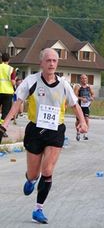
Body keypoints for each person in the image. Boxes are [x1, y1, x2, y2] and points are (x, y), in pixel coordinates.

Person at [0, 48, 87, 224]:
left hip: (55, 131)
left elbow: (75, 105)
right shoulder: (31, 81)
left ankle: (38, 209)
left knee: (47, 170)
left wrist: (83, 121)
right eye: (48, 60)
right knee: (33, 174)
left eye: (54, 61)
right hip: (35, 131)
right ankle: (31, 180)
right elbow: (17, 104)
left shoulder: (64, 84)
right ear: (41, 63)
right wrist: (6, 122)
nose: (52, 64)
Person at [74, 74, 95, 141]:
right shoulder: (78, 87)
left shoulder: (89, 87)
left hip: (86, 106)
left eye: (85, 78)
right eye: (83, 78)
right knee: (78, 121)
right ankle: (78, 133)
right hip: (79, 106)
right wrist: (81, 99)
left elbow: (93, 94)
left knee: (86, 119)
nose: (84, 80)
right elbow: (74, 96)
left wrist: (91, 98)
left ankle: (85, 134)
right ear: (81, 79)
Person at [0, 52, 16, 129]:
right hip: (8, 93)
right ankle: (1, 129)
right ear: (9, 60)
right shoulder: (11, 69)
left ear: (1, 59)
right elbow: (13, 82)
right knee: (5, 112)